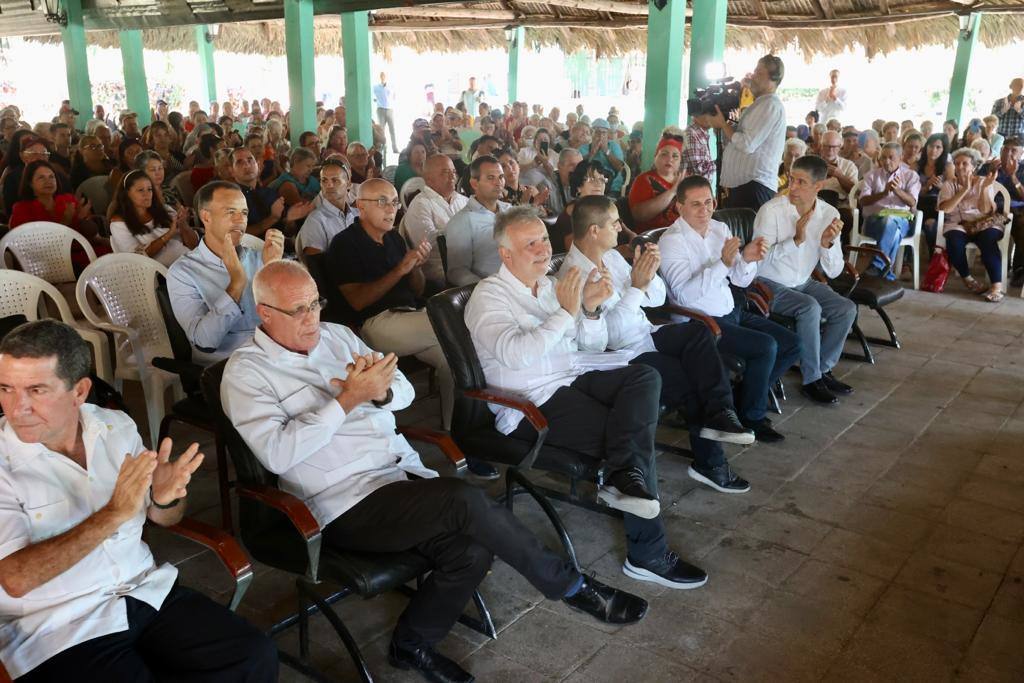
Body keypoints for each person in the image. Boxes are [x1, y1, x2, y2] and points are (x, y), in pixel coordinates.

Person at [221, 261, 646, 683]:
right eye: (298, 310)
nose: (312, 317)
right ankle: (572, 588)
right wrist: (348, 399)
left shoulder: (338, 337)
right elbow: (277, 454)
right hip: (339, 503)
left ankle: (411, 645)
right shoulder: (246, 372)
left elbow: (402, 391)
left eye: (316, 303)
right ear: (265, 313)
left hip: (397, 477)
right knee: (463, 501)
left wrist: (382, 391)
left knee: (470, 549)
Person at [0, 320, 278, 682]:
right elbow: (15, 580)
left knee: (252, 655)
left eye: (36, 390)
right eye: (6, 388)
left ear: (79, 391)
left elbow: (164, 518)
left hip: (144, 591)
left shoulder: (116, 428)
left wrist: (163, 500)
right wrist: (114, 514)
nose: (16, 407)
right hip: (58, 625)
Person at [466, 208, 711, 590]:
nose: (542, 249)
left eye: (544, 239)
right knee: (629, 436)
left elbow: (589, 344)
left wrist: (591, 310)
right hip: (533, 401)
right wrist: (567, 312)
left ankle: (623, 479)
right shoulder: (489, 297)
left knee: (644, 376)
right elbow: (516, 355)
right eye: (529, 243)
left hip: (575, 374)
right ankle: (646, 552)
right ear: (506, 254)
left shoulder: (549, 287)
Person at [561, 196, 757, 490]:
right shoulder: (573, 276)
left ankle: (721, 413)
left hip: (644, 333)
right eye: (614, 222)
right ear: (593, 231)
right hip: (623, 355)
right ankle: (711, 465)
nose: (620, 227)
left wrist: (647, 275)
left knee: (697, 332)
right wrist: (636, 288)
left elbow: (657, 298)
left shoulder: (612, 257)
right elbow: (606, 339)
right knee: (690, 382)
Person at [659, 176, 800, 442]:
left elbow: (740, 279)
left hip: (728, 310)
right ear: (679, 207)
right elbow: (683, 295)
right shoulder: (672, 241)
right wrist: (722, 264)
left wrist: (747, 259)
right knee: (765, 347)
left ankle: (740, 402)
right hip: (699, 323)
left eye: (709, 202)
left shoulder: (719, 228)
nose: (705, 210)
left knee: (791, 343)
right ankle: (753, 417)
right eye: (696, 204)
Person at [327, 178, 456, 432]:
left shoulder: (395, 239)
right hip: (374, 325)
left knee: (453, 357)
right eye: (382, 201)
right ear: (361, 206)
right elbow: (358, 301)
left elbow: (416, 290)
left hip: (409, 316)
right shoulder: (345, 244)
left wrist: (415, 268)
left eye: (395, 202)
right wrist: (400, 270)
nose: (391, 208)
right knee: (452, 323)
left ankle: (456, 430)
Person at [753, 155, 857, 405]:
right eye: (791, 179)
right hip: (767, 282)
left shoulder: (829, 213)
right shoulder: (771, 211)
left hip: (802, 281)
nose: (793, 187)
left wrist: (827, 244)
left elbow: (833, 272)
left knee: (846, 308)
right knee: (810, 308)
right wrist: (795, 240)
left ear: (818, 186)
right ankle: (812, 380)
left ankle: (822, 369)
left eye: (801, 182)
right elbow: (758, 262)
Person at [167, 180, 285, 364]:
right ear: (206, 217)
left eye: (244, 213)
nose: (240, 220)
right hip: (228, 364)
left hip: (274, 354)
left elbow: (293, 315)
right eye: (231, 212)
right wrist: (236, 284)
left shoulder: (261, 258)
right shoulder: (183, 273)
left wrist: (273, 269)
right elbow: (204, 343)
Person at [713, 55, 787, 211]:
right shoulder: (760, 104)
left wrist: (722, 124)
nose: (753, 76)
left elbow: (747, 144)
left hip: (754, 187)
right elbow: (739, 140)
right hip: (746, 187)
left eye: (759, 73)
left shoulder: (770, 105)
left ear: (773, 78)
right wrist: (723, 126)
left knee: (749, 235)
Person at [9, 159, 109, 268]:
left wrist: (83, 220)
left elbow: (91, 233)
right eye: (41, 177)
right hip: (48, 262)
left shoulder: (68, 200)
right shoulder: (22, 208)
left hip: (79, 251)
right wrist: (66, 221)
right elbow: (37, 248)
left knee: (109, 253)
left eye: (51, 177)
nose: (48, 181)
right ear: (30, 183)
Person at [938, 147, 1004, 302]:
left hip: (983, 223)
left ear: (974, 166)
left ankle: (996, 287)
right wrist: (965, 189)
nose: (960, 167)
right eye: (957, 163)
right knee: (954, 240)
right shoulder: (949, 185)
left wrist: (985, 188)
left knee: (988, 240)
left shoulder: (983, 182)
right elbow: (946, 209)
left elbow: (985, 210)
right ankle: (968, 279)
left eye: (964, 164)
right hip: (958, 224)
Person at [109, 169, 198, 267]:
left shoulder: (164, 210)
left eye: (149, 189)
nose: (147, 194)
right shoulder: (119, 224)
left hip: (190, 261)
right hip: (161, 274)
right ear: (127, 193)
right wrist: (168, 235)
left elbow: (194, 245)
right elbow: (137, 258)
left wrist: (183, 224)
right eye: (140, 190)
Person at [444, 155, 511, 285]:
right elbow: (457, 272)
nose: (498, 183)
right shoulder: (463, 221)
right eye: (491, 178)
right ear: (474, 183)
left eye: (501, 177)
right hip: (494, 289)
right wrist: (486, 289)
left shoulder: (510, 211)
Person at [858, 142, 921, 279]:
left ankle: (879, 267)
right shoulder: (871, 175)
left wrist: (897, 191)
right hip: (874, 221)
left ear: (900, 157)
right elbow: (862, 201)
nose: (887, 161)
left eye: (891, 157)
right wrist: (884, 193)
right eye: (883, 158)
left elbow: (912, 202)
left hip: (902, 220)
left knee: (893, 224)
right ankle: (886, 273)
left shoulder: (911, 176)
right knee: (892, 227)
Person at [229, 147, 313, 238]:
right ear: (232, 171)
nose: (247, 166)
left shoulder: (269, 193)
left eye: (250, 160)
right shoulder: (231, 199)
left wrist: (290, 219)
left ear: (258, 164)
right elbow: (237, 235)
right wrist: (272, 219)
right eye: (239, 162)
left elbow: (288, 232)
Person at [981, 137, 1024, 287]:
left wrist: (1013, 177)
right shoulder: (989, 167)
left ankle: (1019, 269)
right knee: (989, 229)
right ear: (1000, 150)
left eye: (1014, 151)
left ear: (1021, 154)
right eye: (1005, 149)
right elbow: (977, 190)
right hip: (993, 210)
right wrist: (991, 173)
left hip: (1019, 211)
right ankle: (998, 267)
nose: (1009, 154)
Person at [297, 158, 358, 257]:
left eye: (335, 180)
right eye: (324, 180)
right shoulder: (316, 220)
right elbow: (315, 265)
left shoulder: (359, 215)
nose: (329, 185)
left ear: (348, 184)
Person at [628, 136, 684, 232]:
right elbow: (639, 215)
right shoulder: (643, 180)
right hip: (652, 238)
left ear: (680, 161)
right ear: (656, 157)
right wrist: (672, 191)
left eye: (675, 156)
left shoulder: (686, 179)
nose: (669, 159)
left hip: (682, 234)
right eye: (664, 154)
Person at [578, 119, 626, 195]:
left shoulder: (614, 146)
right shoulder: (583, 148)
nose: (600, 136)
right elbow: (580, 170)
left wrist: (606, 151)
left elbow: (620, 167)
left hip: (612, 187)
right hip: (590, 185)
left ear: (608, 135)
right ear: (592, 134)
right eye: (597, 132)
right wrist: (592, 152)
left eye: (604, 133)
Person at [818, 130, 859, 206]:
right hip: (815, 203)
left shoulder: (848, 165)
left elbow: (854, 191)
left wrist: (840, 176)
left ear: (840, 147)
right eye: (827, 146)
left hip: (840, 205)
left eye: (834, 147)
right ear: (821, 145)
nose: (830, 150)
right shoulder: (812, 163)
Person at [683, 106, 717, 183]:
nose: (712, 117)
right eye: (708, 114)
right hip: (693, 190)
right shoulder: (691, 135)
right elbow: (698, 171)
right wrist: (719, 162)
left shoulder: (701, 134)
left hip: (698, 188)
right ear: (696, 116)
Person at [372, 72, 399, 153]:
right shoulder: (375, 87)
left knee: (392, 130)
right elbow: (373, 98)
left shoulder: (391, 86)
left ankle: (395, 148)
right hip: (380, 109)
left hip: (390, 109)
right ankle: (382, 149)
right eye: (381, 76)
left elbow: (394, 97)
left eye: (384, 75)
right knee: (381, 130)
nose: (382, 77)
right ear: (379, 77)